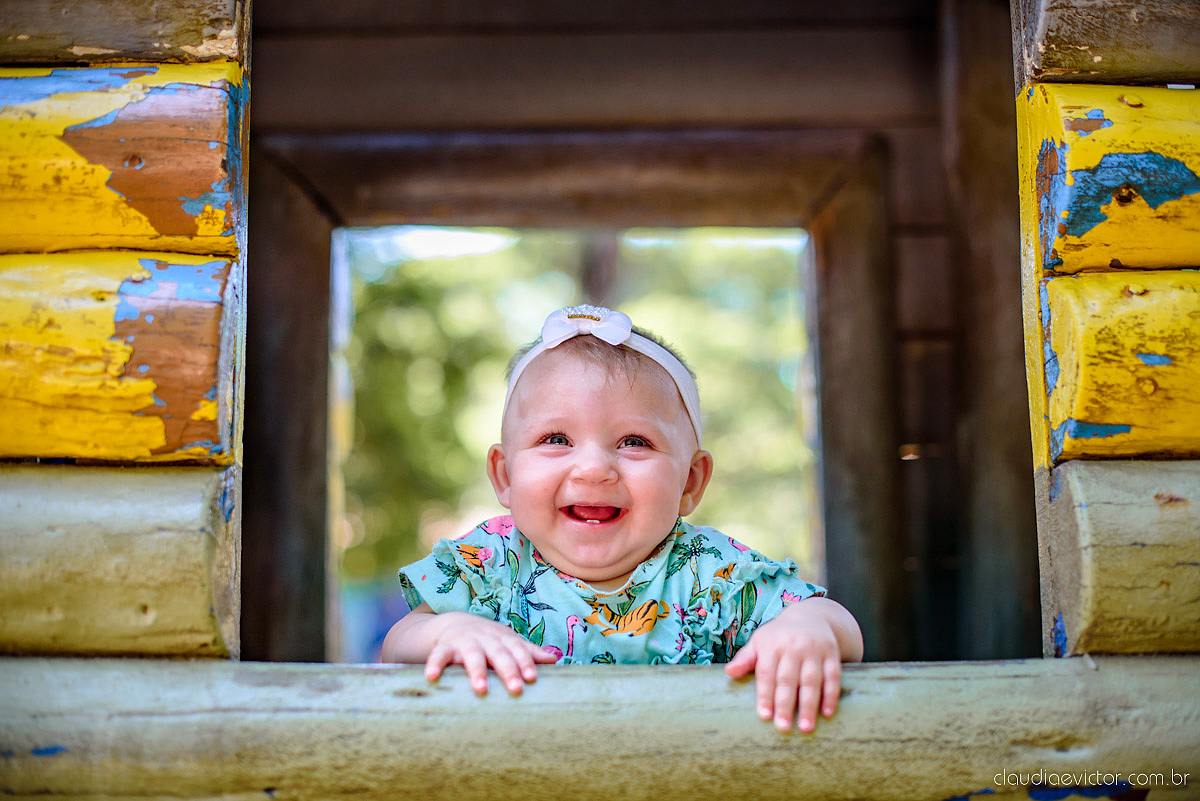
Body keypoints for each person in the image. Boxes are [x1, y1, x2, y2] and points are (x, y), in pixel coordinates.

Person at [381, 305, 863, 732]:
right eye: (556, 439)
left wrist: (806, 629)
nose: (593, 468)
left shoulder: (711, 573)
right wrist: (449, 632)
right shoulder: (488, 564)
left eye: (634, 442)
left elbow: (836, 622)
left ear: (690, 481)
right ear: (505, 475)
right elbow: (398, 643)